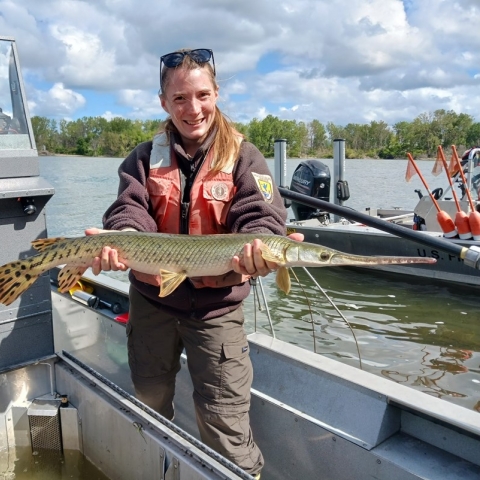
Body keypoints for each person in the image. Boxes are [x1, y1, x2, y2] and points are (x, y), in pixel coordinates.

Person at [86, 48, 302, 478]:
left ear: (217, 93)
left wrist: (264, 248)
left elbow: (260, 216)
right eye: (180, 98)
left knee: (226, 425)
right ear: (164, 102)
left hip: (216, 311)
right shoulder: (144, 158)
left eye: (202, 94)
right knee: (149, 405)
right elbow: (129, 211)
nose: (193, 108)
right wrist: (123, 241)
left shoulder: (245, 157)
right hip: (152, 306)